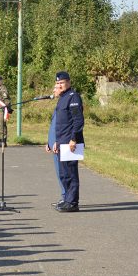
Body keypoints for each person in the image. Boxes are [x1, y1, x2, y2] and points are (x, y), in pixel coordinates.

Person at [52, 71, 83, 212]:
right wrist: (56, 142)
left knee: (71, 173)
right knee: (64, 174)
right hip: (62, 141)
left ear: (69, 82)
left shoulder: (73, 97)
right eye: (58, 83)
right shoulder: (62, 98)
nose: (60, 85)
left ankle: (73, 202)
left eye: (62, 82)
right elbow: (61, 124)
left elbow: (78, 121)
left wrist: (73, 139)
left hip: (71, 142)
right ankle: (67, 199)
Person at [44, 78, 66, 206]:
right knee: (59, 172)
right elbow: (53, 125)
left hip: (61, 144)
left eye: (55, 87)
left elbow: (62, 126)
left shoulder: (65, 102)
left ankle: (66, 196)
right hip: (54, 145)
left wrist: (57, 141)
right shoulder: (59, 103)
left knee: (64, 172)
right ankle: (64, 195)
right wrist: (48, 142)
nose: (53, 90)